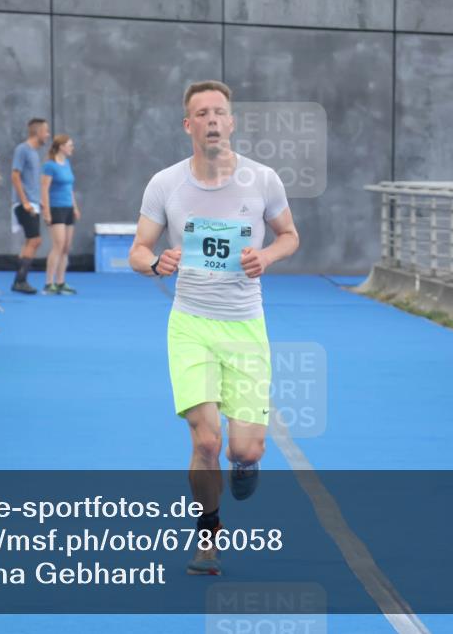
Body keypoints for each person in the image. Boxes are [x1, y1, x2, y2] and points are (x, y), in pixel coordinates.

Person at [129, 80, 299, 576]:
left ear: (232, 121)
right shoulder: (165, 184)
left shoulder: (263, 179)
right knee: (204, 442)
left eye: (218, 112)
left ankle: (246, 463)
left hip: (245, 327)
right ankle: (208, 533)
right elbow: (138, 251)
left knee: (243, 446)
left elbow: (290, 235)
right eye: (200, 113)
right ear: (188, 125)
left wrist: (265, 255)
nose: (211, 120)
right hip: (190, 324)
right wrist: (157, 261)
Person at [10, 118, 49, 294]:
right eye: (46, 131)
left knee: (30, 241)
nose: (47, 135)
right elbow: (15, 176)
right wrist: (25, 201)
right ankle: (20, 279)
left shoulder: (34, 152)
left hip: (33, 203)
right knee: (35, 240)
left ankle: (20, 279)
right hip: (25, 204)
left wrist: (38, 199)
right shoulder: (23, 149)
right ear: (38, 132)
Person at [40, 134, 80, 295]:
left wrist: (75, 207)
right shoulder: (49, 166)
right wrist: (47, 211)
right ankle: (49, 283)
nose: (72, 148)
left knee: (66, 247)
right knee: (58, 245)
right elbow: (44, 189)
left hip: (68, 209)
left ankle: (61, 281)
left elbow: (69, 188)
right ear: (61, 146)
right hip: (55, 209)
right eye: (69, 145)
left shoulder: (67, 163)